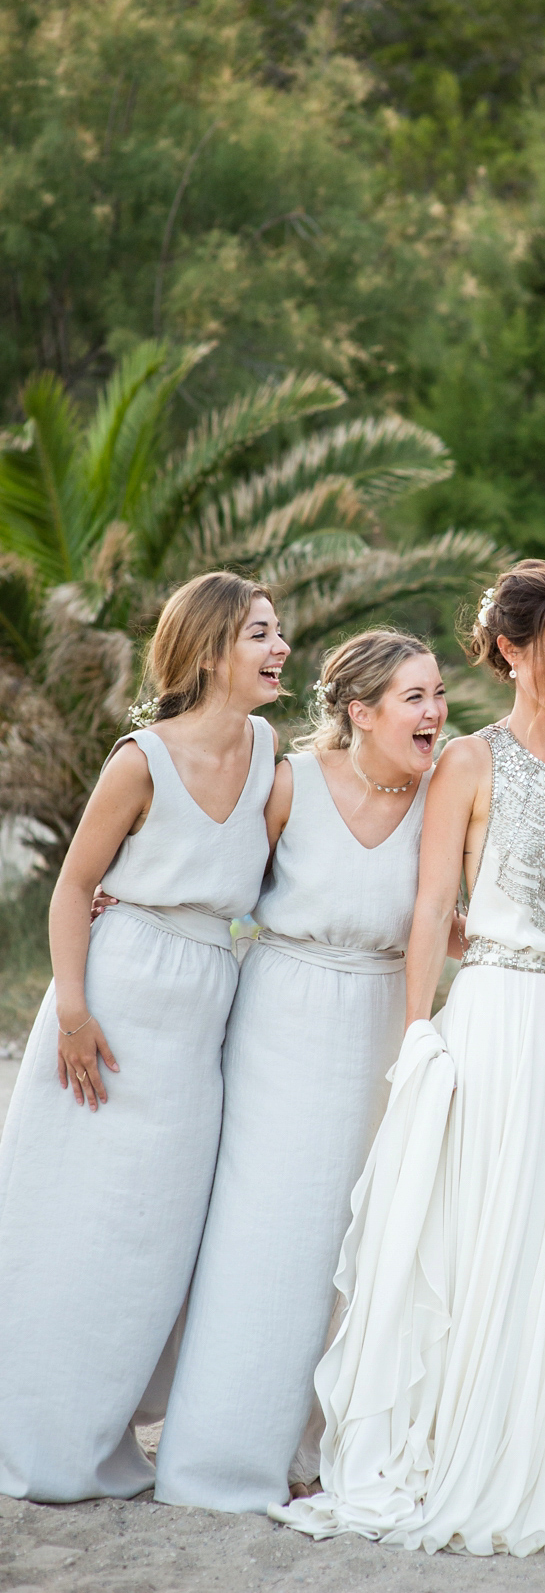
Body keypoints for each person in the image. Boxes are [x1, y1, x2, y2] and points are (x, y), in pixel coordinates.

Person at [274, 560, 545, 1562]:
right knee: (486, 1228)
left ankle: (543, 1451)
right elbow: (433, 904)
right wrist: (417, 1033)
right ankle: (460, 1446)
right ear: (511, 649)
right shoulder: (466, 762)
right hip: (501, 1016)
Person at [0, 572, 286, 1502]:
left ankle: (107, 1428)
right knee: (77, 1224)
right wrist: (73, 1014)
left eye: (277, 633)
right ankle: (42, 1433)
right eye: (260, 635)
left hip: (203, 1015)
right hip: (112, 1009)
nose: (281, 650)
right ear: (209, 652)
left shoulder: (273, 752)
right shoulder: (141, 761)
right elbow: (75, 887)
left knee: (154, 1236)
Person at [154, 631, 447, 1514]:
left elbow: (450, 913)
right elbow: (213, 871)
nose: (435, 712)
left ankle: (323, 1447)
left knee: (358, 1235)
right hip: (282, 1013)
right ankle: (226, 1448)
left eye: (438, 694)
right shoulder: (291, 783)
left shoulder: (447, 794)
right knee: (266, 1228)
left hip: (386, 1023)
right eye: (414, 697)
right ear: (360, 711)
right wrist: (119, 894)